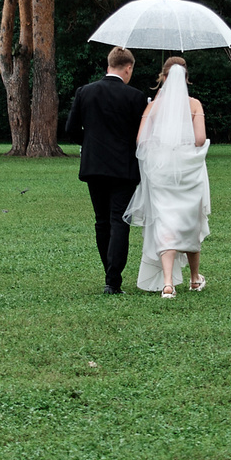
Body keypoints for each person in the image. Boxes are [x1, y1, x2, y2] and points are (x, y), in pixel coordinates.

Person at [64, 46, 149, 295]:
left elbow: (70, 129)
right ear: (128, 67)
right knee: (119, 220)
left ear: (108, 65)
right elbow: (141, 135)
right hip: (123, 168)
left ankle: (109, 275)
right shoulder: (135, 97)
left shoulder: (85, 92)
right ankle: (113, 280)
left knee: (101, 221)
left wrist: (90, 145)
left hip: (94, 166)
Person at [125, 56, 211, 298]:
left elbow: (141, 141)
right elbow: (199, 140)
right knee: (189, 221)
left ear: (162, 78)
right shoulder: (194, 105)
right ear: (186, 79)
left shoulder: (153, 107)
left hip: (161, 171)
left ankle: (167, 284)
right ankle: (194, 279)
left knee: (165, 222)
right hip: (188, 171)